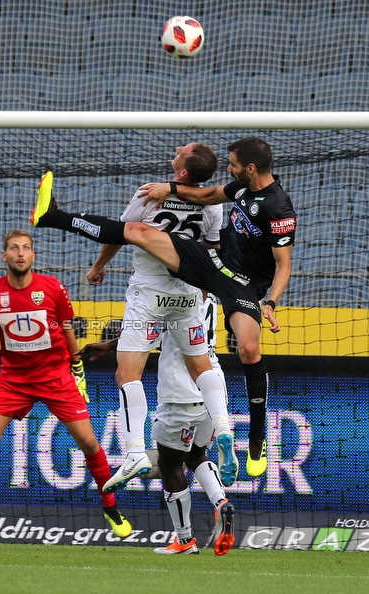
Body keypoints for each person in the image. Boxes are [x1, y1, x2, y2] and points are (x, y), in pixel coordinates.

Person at [31, 137, 296, 477]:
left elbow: (283, 264)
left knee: (248, 348)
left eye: (232, 164)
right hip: (206, 273)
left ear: (251, 168)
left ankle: (251, 438)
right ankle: (224, 429)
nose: (229, 169)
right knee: (205, 364)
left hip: (230, 286)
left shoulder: (279, 208)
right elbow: (208, 199)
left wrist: (271, 302)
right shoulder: (236, 191)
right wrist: (170, 187)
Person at [0, 229, 132, 541]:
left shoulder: (52, 288)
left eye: (26, 248)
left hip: (55, 377)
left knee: (90, 444)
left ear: (33, 255)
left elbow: (66, 327)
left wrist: (77, 366)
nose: (20, 253)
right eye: (14, 248)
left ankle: (111, 507)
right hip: (12, 381)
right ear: (5, 256)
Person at [83, 143, 237, 491]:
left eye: (185, 149)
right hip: (187, 293)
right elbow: (211, 250)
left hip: (149, 292)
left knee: (128, 373)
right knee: (202, 367)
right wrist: (202, 287)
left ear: (182, 172)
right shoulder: (212, 204)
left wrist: (98, 266)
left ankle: (135, 450)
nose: (179, 148)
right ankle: (224, 426)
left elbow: (120, 233)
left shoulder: (150, 193)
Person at [81, 293, 237, 556]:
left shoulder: (173, 293)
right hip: (213, 387)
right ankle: (221, 502)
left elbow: (148, 331)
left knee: (169, 463)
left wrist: (111, 343)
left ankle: (185, 539)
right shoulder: (206, 292)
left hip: (180, 393)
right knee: (197, 454)